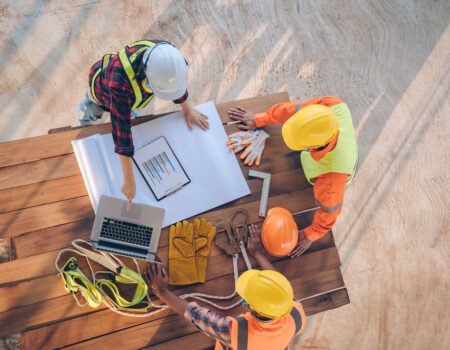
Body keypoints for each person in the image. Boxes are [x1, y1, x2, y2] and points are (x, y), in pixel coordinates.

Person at [76, 39, 209, 209]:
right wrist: (129, 180)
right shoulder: (120, 84)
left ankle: (129, 109)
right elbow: (121, 131)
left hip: (126, 97)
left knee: (128, 111)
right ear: (145, 76)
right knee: (90, 112)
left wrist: (188, 108)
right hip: (101, 93)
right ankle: (83, 122)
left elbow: (173, 83)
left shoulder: (165, 56)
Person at [228, 97, 358, 257]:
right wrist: (260, 119)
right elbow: (292, 110)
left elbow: (331, 212)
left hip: (335, 170)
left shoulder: (331, 181)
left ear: (313, 147)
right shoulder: (332, 105)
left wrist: (311, 234)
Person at [144, 224, 306, 350]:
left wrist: (162, 292)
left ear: (252, 308)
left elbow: (197, 316)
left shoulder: (235, 332)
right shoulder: (296, 312)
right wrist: (258, 254)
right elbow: (276, 287)